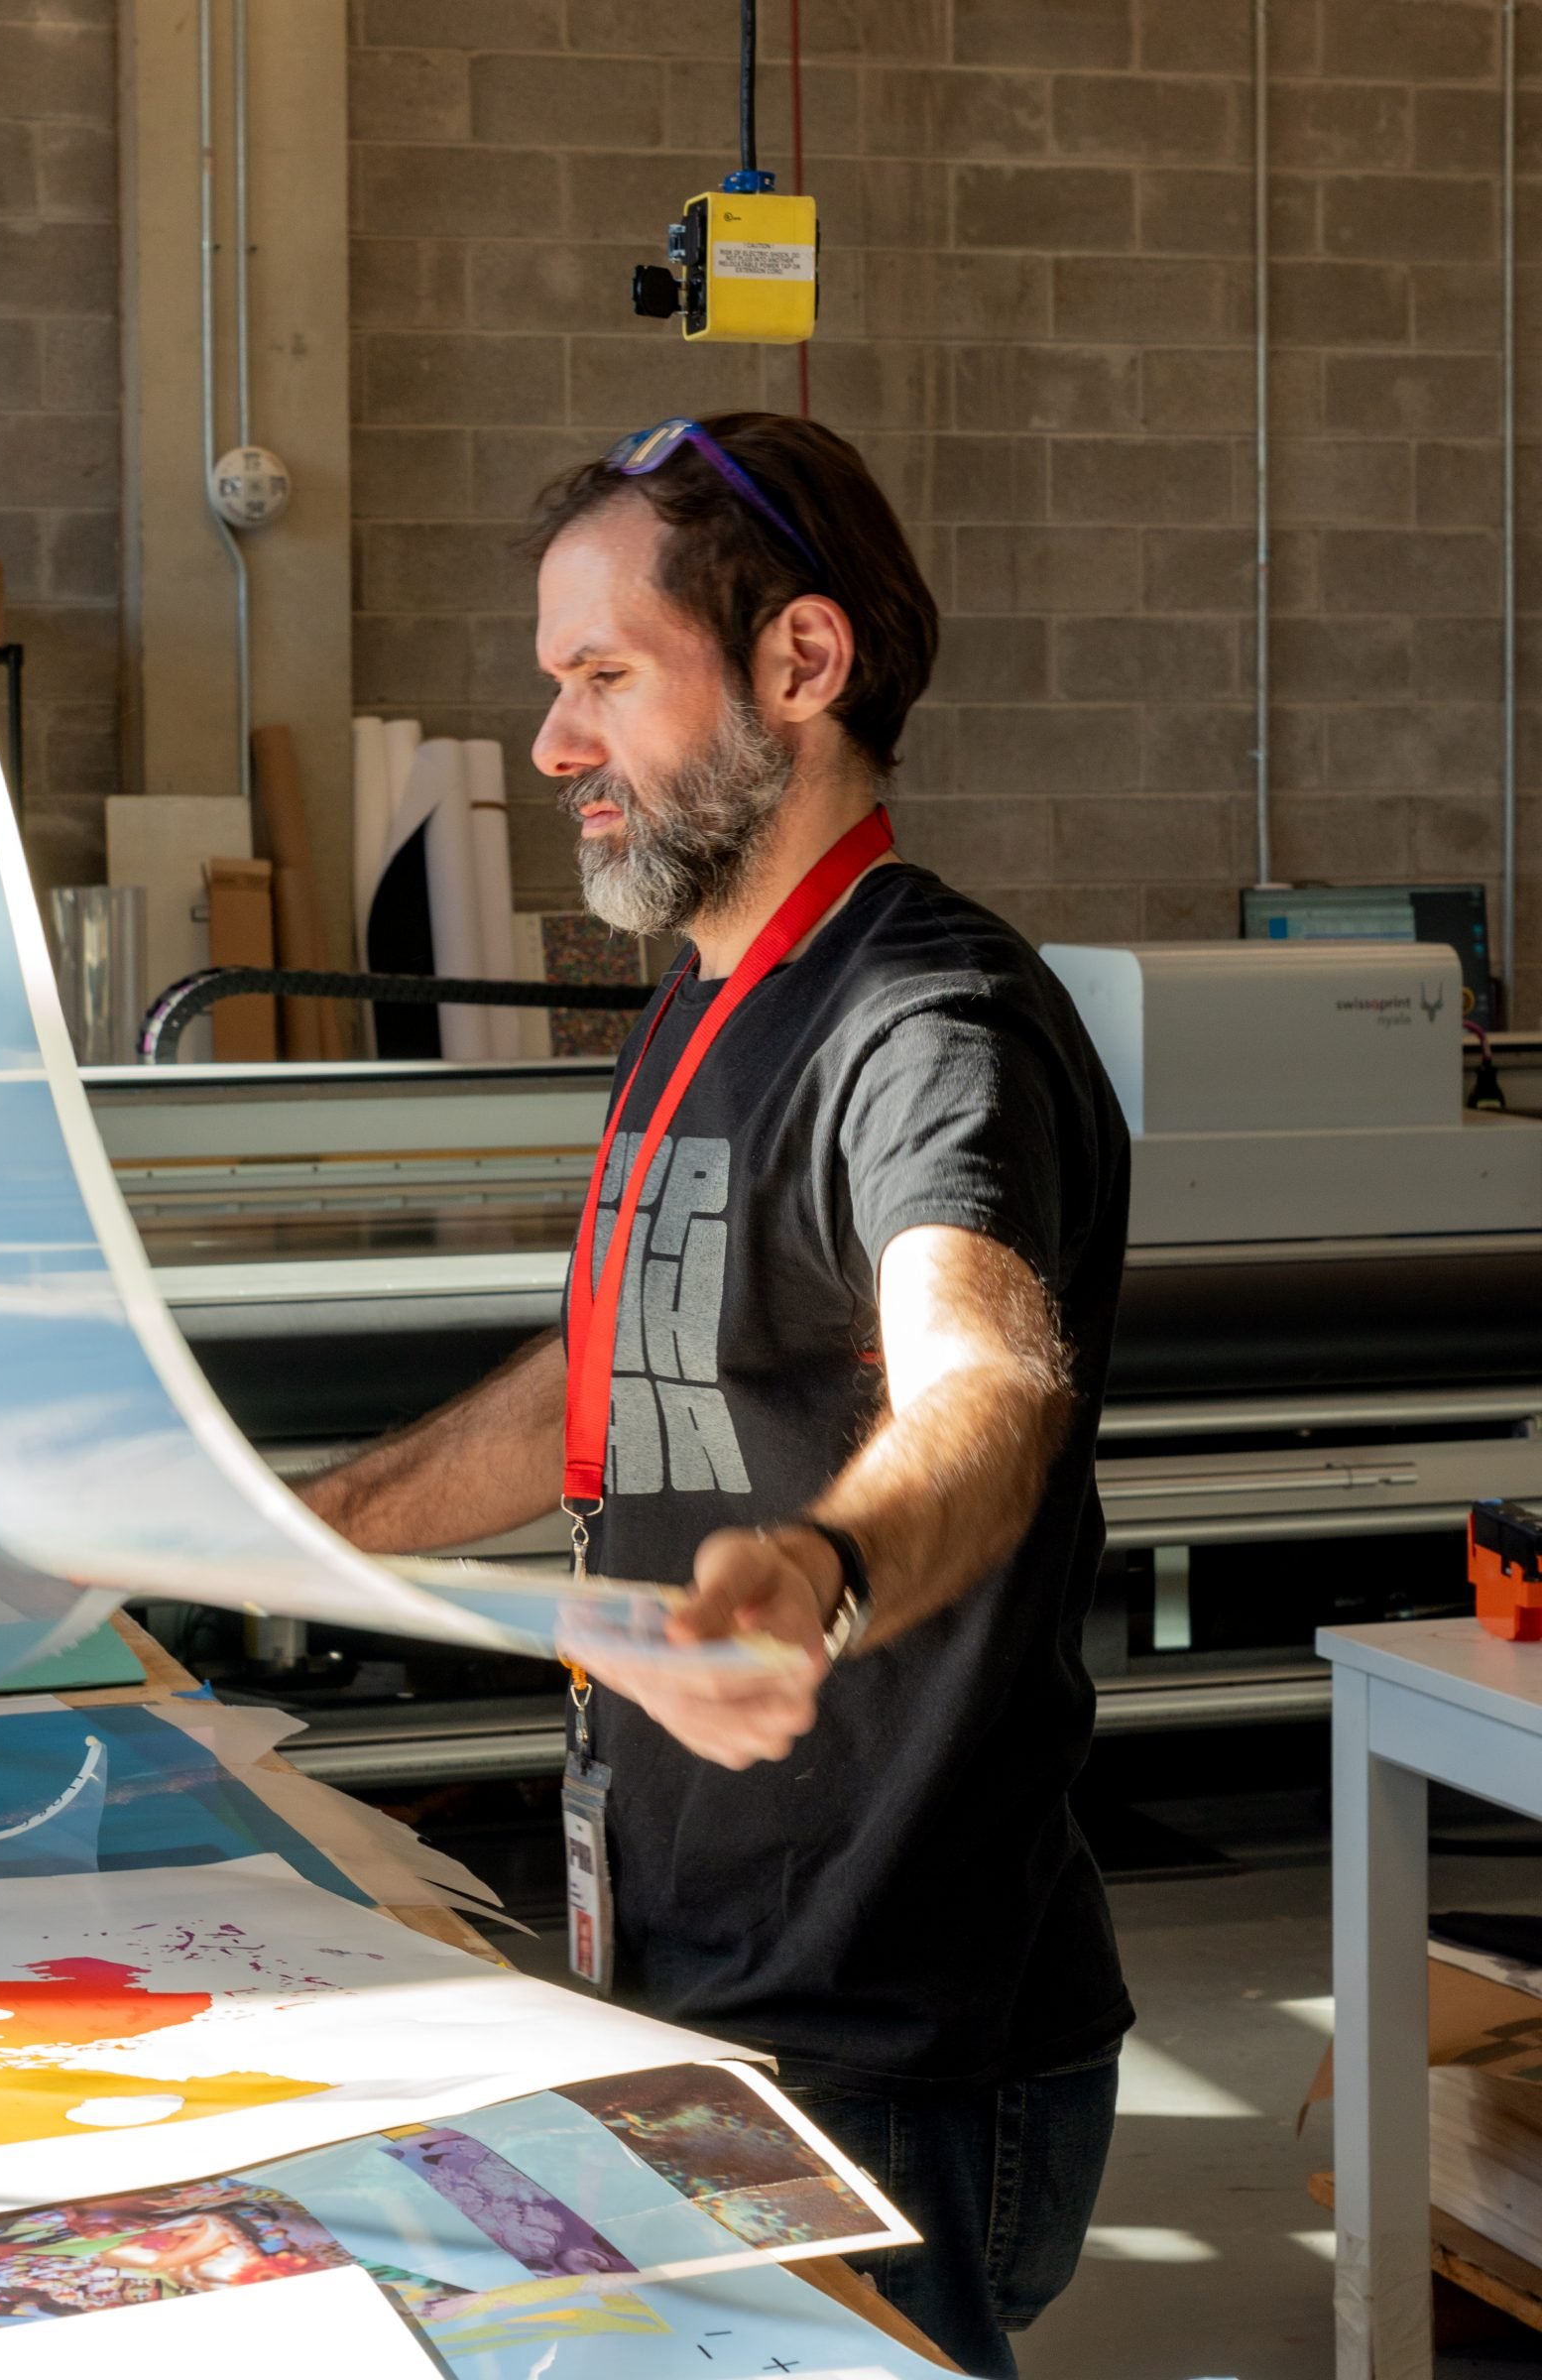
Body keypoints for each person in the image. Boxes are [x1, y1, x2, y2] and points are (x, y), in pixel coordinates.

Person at [302, 412, 1133, 2379]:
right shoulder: (709, 991)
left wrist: (828, 1559)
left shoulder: (924, 1019)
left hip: (886, 2026)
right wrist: (281, 1528)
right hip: (699, 1969)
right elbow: (588, 1387)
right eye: (551, 683)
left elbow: (984, 1384)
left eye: (602, 675)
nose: (551, 743)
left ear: (798, 662)